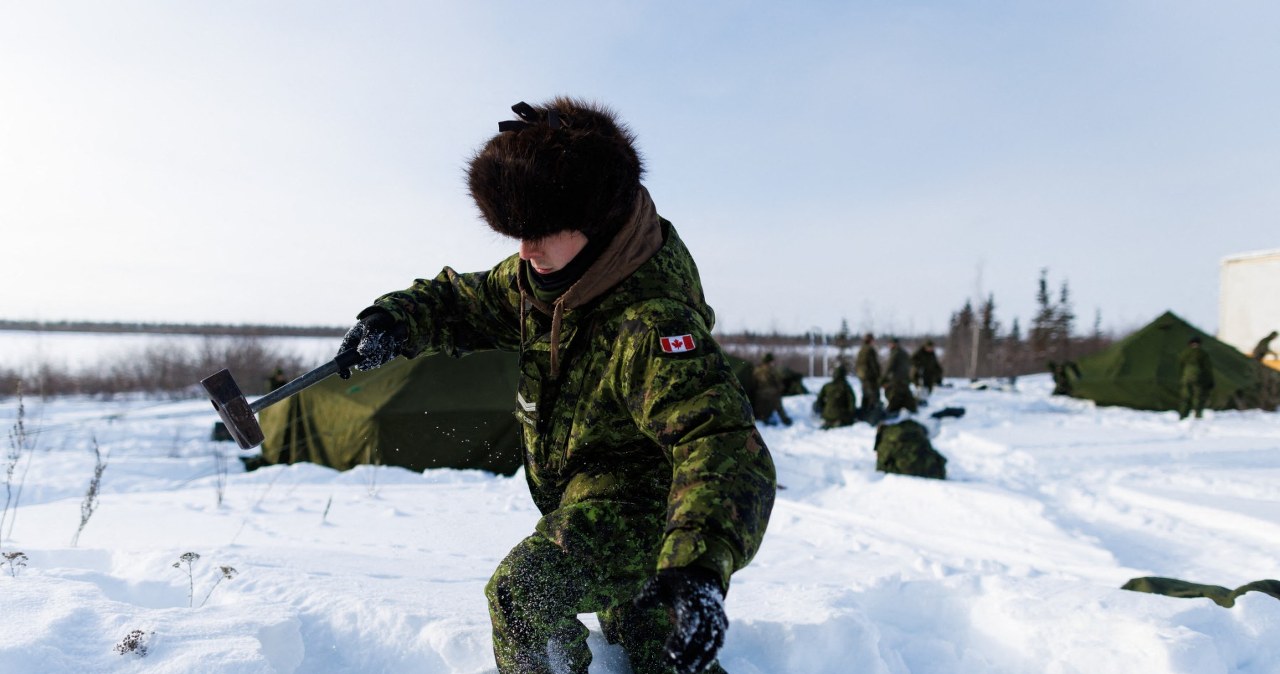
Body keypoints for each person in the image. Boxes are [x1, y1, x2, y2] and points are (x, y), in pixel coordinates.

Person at [334, 98, 776, 674]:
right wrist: (396, 319)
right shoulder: (544, 279)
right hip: (585, 508)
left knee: (523, 594)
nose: (525, 249)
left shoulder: (649, 323)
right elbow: (462, 300)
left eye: (541, 231)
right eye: (516, 232)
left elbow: (720, 442)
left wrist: (696, 568)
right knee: (655, 647)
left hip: (654, 519)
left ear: (595, 221)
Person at [1178, 335, 1214, 419]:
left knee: (1185, 397)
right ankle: (1198, 415)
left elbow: (1180, 366)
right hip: (1199, 378)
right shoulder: (1203, 353)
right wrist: (1210, 380)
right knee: (1198, 397)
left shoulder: (1184, 353)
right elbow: (1207, 368)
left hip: (1186, 378)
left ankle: (1183, 415)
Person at [751, 353, 792, 426]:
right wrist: (780, 389)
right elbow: (778, 381)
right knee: (779, 406)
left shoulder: (756, 370)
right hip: (772, 392)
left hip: (760, 393)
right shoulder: (772, 370)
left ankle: (763, 419)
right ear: (769, 361)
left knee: (761, 408)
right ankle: (785, 420)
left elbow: (754, 382)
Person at [813, 362, 857, 429]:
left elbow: (819, 401)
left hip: (826, 414)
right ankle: (838, 421)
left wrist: (823, 410)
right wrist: (851, 415)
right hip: (841, 415)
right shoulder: (846, 387)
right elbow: (852, 403)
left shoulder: (827, 386)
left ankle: (828, 421)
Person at [882, 337, 917, 416]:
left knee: (895, 396)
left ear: (893, 344)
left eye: (890, 344)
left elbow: (889, 367)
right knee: (906, 395)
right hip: (905, 379)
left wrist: (882, 379)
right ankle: (912, 409)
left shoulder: (895, 353)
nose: (889, 346)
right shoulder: (904, 352)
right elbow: (910, 364)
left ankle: (892, 411)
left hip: (897, 380)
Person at [854, 333, 882, 421]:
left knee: (865, 395)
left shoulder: (861, 350)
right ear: (871, 340)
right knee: (873, 396)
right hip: (870, 377)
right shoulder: (870, 350)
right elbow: (873, 364)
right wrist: (878, 375)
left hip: (862, 376)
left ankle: (863, 413)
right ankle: (872, 416)